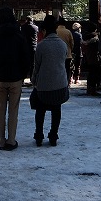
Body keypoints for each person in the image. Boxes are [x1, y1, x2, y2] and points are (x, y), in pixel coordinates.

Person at [0, 7, 30, 151]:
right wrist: (23, 74)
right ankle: (11, 140)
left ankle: (0, 141)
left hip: (0, 77)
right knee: (13, 110)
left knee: (0, 110)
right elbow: (26, 57)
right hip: (16, 77)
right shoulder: (19, 37)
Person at [31, 14, 68, 146]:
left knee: (40, 111)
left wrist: (34, 80)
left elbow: (37, 66)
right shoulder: (63, 45)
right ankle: (53, 135)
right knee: (56, 110)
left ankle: (39, 135)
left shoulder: (41, 46)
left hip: (43, 85)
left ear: (45, 30)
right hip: (59, 83)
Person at [81, 22, 101, 96]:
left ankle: (89, 89)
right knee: (95, 74)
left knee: (90, 74)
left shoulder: (84, 37)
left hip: (87, 57)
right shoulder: (95, 38)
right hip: (94, 58)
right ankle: (93, 90)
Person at [20, 16, 38, 82]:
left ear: (26, 20)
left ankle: (22, 79)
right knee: (33, 64)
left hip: (25, 47)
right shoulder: (36, 28)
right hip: (33, 47)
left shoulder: (22, 27)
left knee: (24, 63)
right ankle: (32, 78)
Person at [56, 16, 73, 85]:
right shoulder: (68, 32)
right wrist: (70, 49)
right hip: (67, 53)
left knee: (58, 69)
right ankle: (66, 82)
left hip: (57, 54)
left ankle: (58, 82)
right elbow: (72, 43)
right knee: (67, 69)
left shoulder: (55, 31)